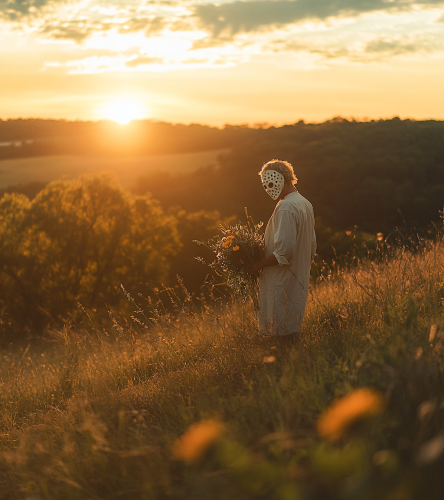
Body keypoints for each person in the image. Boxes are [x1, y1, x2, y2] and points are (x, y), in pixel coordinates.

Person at [246, 159, 316, 340]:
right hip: (297, 278)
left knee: (280, 334)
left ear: (282, 179)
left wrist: (256, 266)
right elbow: (312, 246)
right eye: (264, 185)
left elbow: (284, 253)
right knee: (291, 332)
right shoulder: (304, 202)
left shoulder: (286, 207)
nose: (268, 188)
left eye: (270, 182)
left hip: (283, 282)